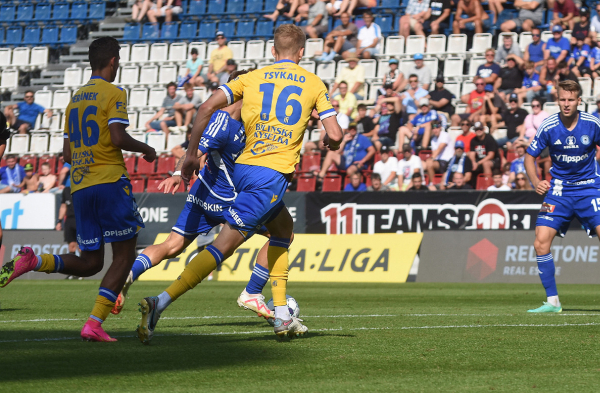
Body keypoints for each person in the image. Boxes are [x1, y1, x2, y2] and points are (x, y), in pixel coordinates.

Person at [137, 25, 344, 342]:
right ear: (302, 52)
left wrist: (189, 158)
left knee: (283, 229)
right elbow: (336, 134)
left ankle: (276, 310)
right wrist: (329, 141)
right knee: (223, 246)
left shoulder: (254, 78)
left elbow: (207, 107)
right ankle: (160, 303)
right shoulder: (315, 84)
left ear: (273, 52)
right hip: (270, 176)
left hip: (244, 169)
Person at [0, 37, 158, 342]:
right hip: (109, 181)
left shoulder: (74, 99)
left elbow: (68, 155)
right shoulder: (114, 92)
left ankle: (34, 261)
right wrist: (147, 150)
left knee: (91, 262)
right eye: (119, 60)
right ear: (113, 60)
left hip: (81, 186)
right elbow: (116, 137)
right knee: (124, 255)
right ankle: (94, 323)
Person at [114, 76, 288, 325]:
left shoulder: (244, 120)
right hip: (230, 199)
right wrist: (178, 172)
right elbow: (194, 153)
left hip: (202, 193)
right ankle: (253, 291)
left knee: (172, 245)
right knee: (281, 235)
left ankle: (126, 278)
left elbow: (193, 152)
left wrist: (177, 174)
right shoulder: (225, 121)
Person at [522, 79, 600, 314]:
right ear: (557, 100)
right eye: (562, 99)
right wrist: (535, 181)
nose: (566, 104)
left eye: (570, 100)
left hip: (589, 189)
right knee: (540, 242)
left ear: (579, 101)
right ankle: (553, 301)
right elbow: (529, 156)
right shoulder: (548, 125)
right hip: (558, 191)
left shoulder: (592, 123)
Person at [56, 185, 79, 258]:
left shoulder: (82, 189)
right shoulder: (66, 190)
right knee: (71, 245)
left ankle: (84, 266)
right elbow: (63, 206)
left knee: (81, 246)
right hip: (69, 220)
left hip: (80, 220)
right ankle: (73, 266)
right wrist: (59, 221)